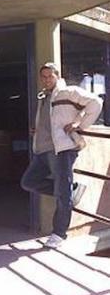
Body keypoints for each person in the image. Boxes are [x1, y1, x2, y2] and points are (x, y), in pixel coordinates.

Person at [20, 62, 102, 248]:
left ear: (57, 76)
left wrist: (79, 125)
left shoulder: (68, 92)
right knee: (28, 182)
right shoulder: (43, 96)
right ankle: (72, 190)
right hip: (42, 149)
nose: (47, 79)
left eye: (51, 76)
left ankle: (59, 234)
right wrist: (38, 130)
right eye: (44, 76)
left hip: (63, 149)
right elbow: (50, 121)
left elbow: (96, 103)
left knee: (61, 193)